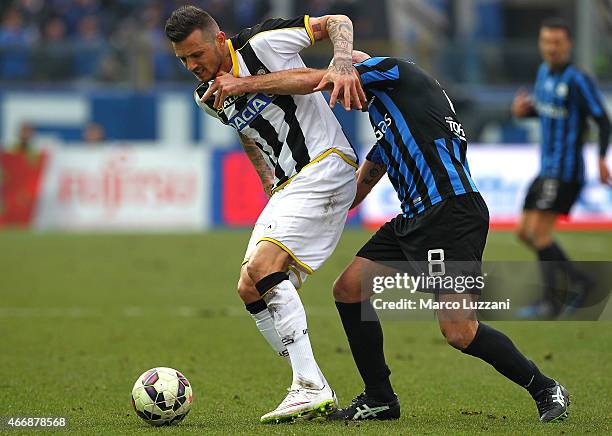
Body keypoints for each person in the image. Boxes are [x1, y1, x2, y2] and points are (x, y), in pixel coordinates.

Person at [201, 50, 571, 423]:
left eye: (353, 80)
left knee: (460, 331)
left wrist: (245, 84)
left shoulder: (394, 70)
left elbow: (324, 77)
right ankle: (379, 397)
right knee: (348, 290)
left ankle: (545, 387)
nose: (349, 95)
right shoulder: (391, 112)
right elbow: (371, 170)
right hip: (413, 218)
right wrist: (319, 202)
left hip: (450, 212)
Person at [164, 5, 366, 423]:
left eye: (197, 54)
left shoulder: (264, 42)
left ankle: (309, 386)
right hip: (291, 182)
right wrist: (265, 177)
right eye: (183, 60)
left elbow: (337, 23)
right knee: (248, 287)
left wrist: (342, 63)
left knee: (262, 267)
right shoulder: (206, 96)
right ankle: (309, 382)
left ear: (219, 40)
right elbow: (246, 130)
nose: (192, 66)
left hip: (325, 162)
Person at [511, 18, 610, 319]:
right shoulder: (543, 73)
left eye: (557, 42)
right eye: (546, 42)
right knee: (523, 232)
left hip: (566, 172)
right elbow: (548, 114)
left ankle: (552, 303)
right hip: (546, 168)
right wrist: (525, 112)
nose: (551, 48)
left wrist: (602, 158)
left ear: (568, 45)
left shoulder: (578, 80)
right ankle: (583, 281)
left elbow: (603, 120)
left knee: (540, 234)